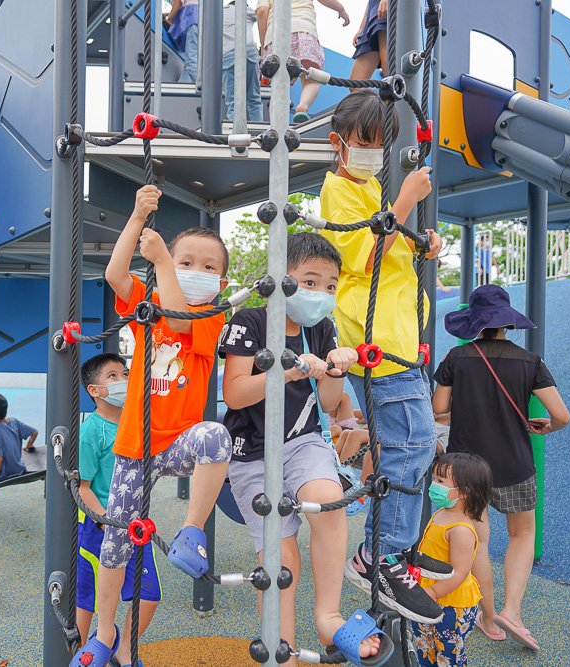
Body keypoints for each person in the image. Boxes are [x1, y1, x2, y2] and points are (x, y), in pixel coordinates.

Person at [69, 185, 233, 667]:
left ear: (221, 282)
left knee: (215, 435)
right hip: (135, 446)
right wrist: (138, 217)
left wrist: (164, 261)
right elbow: (115, 273)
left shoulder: (210, 316)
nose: (197, 272)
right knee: (117, 544)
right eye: (187, 262)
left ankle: (191, 530)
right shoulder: (147, 307)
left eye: (209, 267)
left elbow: (181, 324)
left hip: (179, 442)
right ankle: (103, 634)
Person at [220, 232, 385, 661]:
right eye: (310, 282)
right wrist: (289, 372)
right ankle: (283, 648)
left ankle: (328, 615)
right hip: (251, 451)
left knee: (327, 500)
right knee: (281, 556)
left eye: (331, 286)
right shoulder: (250, 322)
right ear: (281, 277)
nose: (322, 294)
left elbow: (330, 404)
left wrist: (336, 369)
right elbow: (235, 394)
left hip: (303, 439)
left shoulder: (320, 329)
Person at [319, 90, 446, 623]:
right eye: (364, 142)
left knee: (420, 449)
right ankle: (380, 554)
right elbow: (366, 255)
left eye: (380, 143)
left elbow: (390, 248)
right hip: (375, 343)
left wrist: (422, 243)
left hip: (400, 341)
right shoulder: (337, 192)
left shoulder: (370, 186)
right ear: (338, 143)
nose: (373, 152)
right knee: (406, 447)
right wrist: (407, 201)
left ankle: (400, 548)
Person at [434, 284, 570, 651]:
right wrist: (546, 426)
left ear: (475, 323)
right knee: (522, 534)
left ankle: (490, 618)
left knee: (476, 539)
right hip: (515, 463)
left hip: (466, 467)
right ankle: (512, 610)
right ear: (507, 324)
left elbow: (438, 408)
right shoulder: (531, 361)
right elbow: (561, 415)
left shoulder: (457, 357)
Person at [76, 353, 161, 667]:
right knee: (88, 598)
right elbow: (83, 487)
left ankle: (125, 647)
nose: (123, 379)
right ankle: (82, 649)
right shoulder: (92, 431)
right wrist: (106, 520)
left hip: (136, 526)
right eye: (113, 375)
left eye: (125, 372)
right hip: (100, 526)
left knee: (149, 594)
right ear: (94, 391)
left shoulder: (136, 423)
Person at [412, 452, 494, 667]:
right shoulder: (442, 512)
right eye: (435, 478)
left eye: (441, 481)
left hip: (451, 604)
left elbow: (460, 572)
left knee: (449, 657)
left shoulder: (461, 529)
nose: (434, 484)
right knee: (425, 649)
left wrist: (433, 593)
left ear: (464, 492)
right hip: (429, 595)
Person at [256, 0, 351, 123]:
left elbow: (262, 12)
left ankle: (276, 125)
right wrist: (341, 9)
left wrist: (264, 45)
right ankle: (303, 106)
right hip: (304, 31)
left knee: (278, 86)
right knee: (311, 80)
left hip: (276, 36)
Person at [222, 0, 264, 122]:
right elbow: (263, 14)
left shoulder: (221, 14)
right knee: (254, 99)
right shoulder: (246, 10)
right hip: (248, 52)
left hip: (228, 56)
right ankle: (258, 129)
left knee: (233, 102)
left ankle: (236, 131)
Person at [348, 0, 387, 80]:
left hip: (387, 9)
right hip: (373, 14)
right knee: (356, 84)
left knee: (388, 71)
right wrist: (361, 28)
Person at [167, 0, 200, 83]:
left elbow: (178, 1)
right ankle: (184, 83)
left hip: (193, 19)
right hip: (200, 19)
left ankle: (202, 86)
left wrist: (170, 19)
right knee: (193, 59)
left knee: (191, 61)